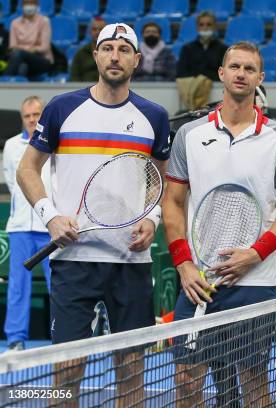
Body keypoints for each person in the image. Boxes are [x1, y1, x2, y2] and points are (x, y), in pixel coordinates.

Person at [16, 23, 170, 406]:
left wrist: (152, 219)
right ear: (96, 56)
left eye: (123, 49)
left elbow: (162, 183)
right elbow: (27, 169)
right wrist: (51, 216)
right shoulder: (61, 109)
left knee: (132, 370)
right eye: (107, 48)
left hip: (131, 261)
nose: (115, 55)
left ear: (136, 61)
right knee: (65, 372)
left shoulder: (154, 116)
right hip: (74, 261)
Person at [163, 41, 276, 408]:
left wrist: (255, 254)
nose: (241, 73)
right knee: (185, 378)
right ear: (221, 74)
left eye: (250, 69)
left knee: (255, 380)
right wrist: (183, 264)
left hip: (254, 282)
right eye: (235, 67)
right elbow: (173, 203)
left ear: (260, 78)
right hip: (199, 283)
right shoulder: (189, 135)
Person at [2, 96, 51, 353]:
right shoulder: (10, 146)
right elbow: (13, 182)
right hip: (20, 227)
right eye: (27, 116)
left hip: (51, 228)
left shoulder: (56, 143)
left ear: (43, 115)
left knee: (60, 285)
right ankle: (15, 340)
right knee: (18, 286)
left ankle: (63, 337)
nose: (32, 120)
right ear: (22, 118)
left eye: (37, 115)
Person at [5, 0, 53, 79]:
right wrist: (28, 50)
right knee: (22, 68)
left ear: (37, 6)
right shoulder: (15, 23)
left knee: (19, 53)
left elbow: (44, 48)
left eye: (32, 3)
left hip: (41, 60)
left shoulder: (44, 21)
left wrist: (25, 50)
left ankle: (4, 83)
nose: (29, 6)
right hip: (21, 59)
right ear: (22, 6)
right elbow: (12, 46)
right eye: (26, 3)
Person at [176, 11, 227, 81]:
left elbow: (225, 75)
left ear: (214, 27)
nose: (205, 27)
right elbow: (181, 74)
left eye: (209, 24)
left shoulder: (223, 49)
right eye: (201, 25)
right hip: (191, 88)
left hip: (217, 88)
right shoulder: (187, 49)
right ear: (197, 28)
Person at [70, 17, 106, 82]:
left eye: (101, 29)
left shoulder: (112, 53)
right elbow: (74, 77)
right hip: (84, 89)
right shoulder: (81, 53)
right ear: (89, 32)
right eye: (94, 29)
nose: (97, 32)